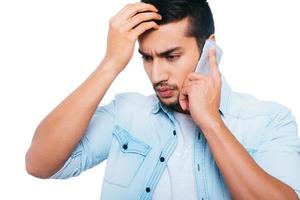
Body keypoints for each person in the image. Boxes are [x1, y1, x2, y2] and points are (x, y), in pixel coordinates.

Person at [25, 0, 300, 199]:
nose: (157, 75)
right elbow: (39, 164)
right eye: (146, 57)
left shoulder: (269, 120)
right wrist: (110, 64)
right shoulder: (126, 113)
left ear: (209, 48)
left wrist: (212, 123)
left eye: (171, 56)